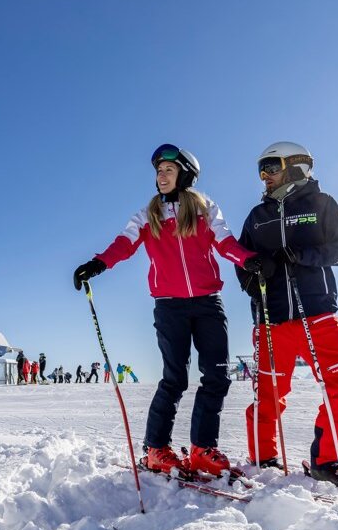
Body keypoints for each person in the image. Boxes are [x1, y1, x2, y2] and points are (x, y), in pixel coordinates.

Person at [71, 143, 269, 477]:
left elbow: (225, 242)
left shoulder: (205, 208)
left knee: (216, 376)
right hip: (169, 307)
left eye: (168, 170)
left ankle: (203, 448)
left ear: (185, 175)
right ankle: (156, 450)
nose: (161, 177)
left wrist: (250, 260)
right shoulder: (148, 215)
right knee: (174, 378)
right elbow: (124, 244)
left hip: (208, 304)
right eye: (158, 171)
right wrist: (98, 264)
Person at [235, 141, 338, 490]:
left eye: (271, 167)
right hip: (271, 322)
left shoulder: (321, 204)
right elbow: (241, 264)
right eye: (261, 170)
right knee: (268, 396)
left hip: (318, 316)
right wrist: (255, 272)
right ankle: (263, 460)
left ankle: (326, 462)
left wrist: (303, 255)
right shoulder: (256, 217)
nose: (264, 176)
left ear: (295, 166)